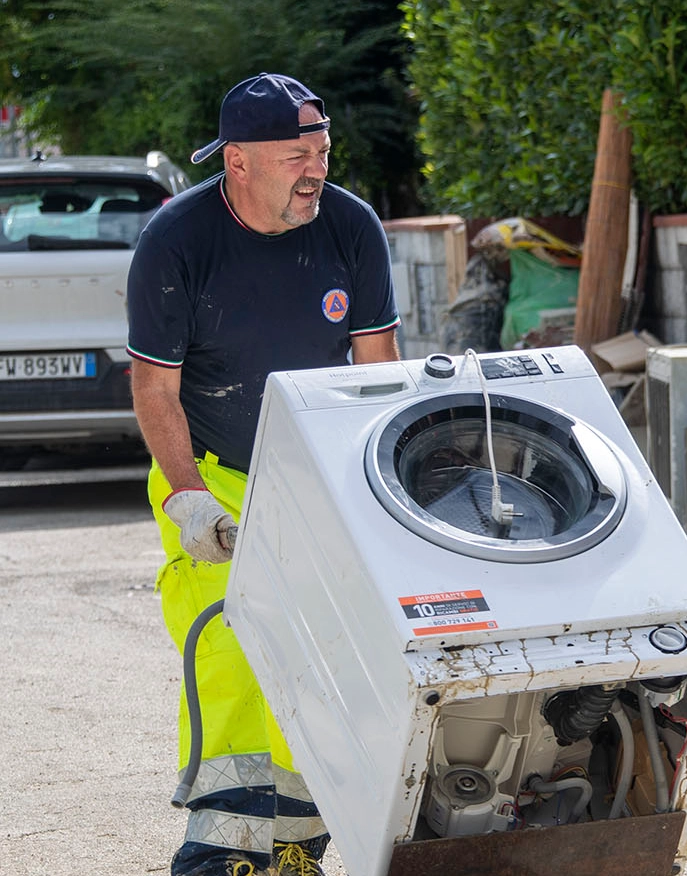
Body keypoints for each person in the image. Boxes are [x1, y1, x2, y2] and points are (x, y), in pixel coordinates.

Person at [126, 73, 401, 876]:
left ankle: (296, 847)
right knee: (229, 645)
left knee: (322, 657)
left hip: (318, 473)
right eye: (296, 156)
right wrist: (187, 499)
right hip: (212, 468)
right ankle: (222, 852)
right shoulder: (177, 240)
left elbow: (378, 371)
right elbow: (154, 386)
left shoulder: (351, 227)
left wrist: (380, 492)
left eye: (320, 151)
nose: (315, 169)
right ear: (237, 161)